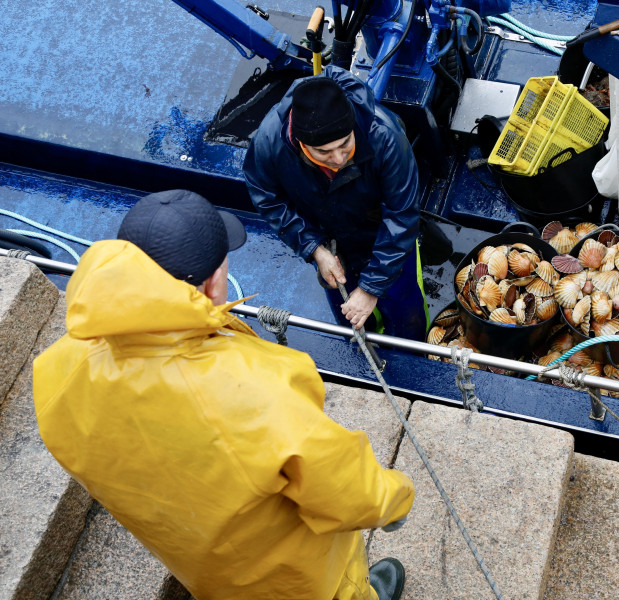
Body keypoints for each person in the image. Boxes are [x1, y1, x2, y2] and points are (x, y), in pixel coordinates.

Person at [33, 190, 414, 600]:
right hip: (292, 574)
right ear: (215, 282)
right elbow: (343, 485)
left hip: (201, 564)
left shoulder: (54, 370)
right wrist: (394, 501)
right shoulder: (254, 390)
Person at [243, 66, 427, 340]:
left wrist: (370, 288)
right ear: (300, 142)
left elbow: (401, 216)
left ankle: (411, 351)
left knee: (405, 312)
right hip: (329, 247)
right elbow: (267, 197)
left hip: (387, 241)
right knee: (348, 320)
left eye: (345, 144)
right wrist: (314, 248)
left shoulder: (386, 137)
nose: (339, 159)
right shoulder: (269, 143)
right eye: (323, 152)